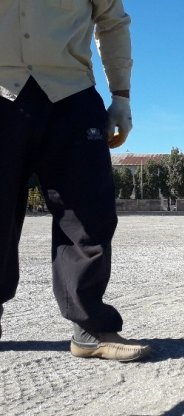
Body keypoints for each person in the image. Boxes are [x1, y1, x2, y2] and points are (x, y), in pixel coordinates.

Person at [0, 0, 150, 361]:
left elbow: (113, 22)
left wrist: (121, 98)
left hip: (71, 96)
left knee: (88, 213)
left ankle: (90, 327)